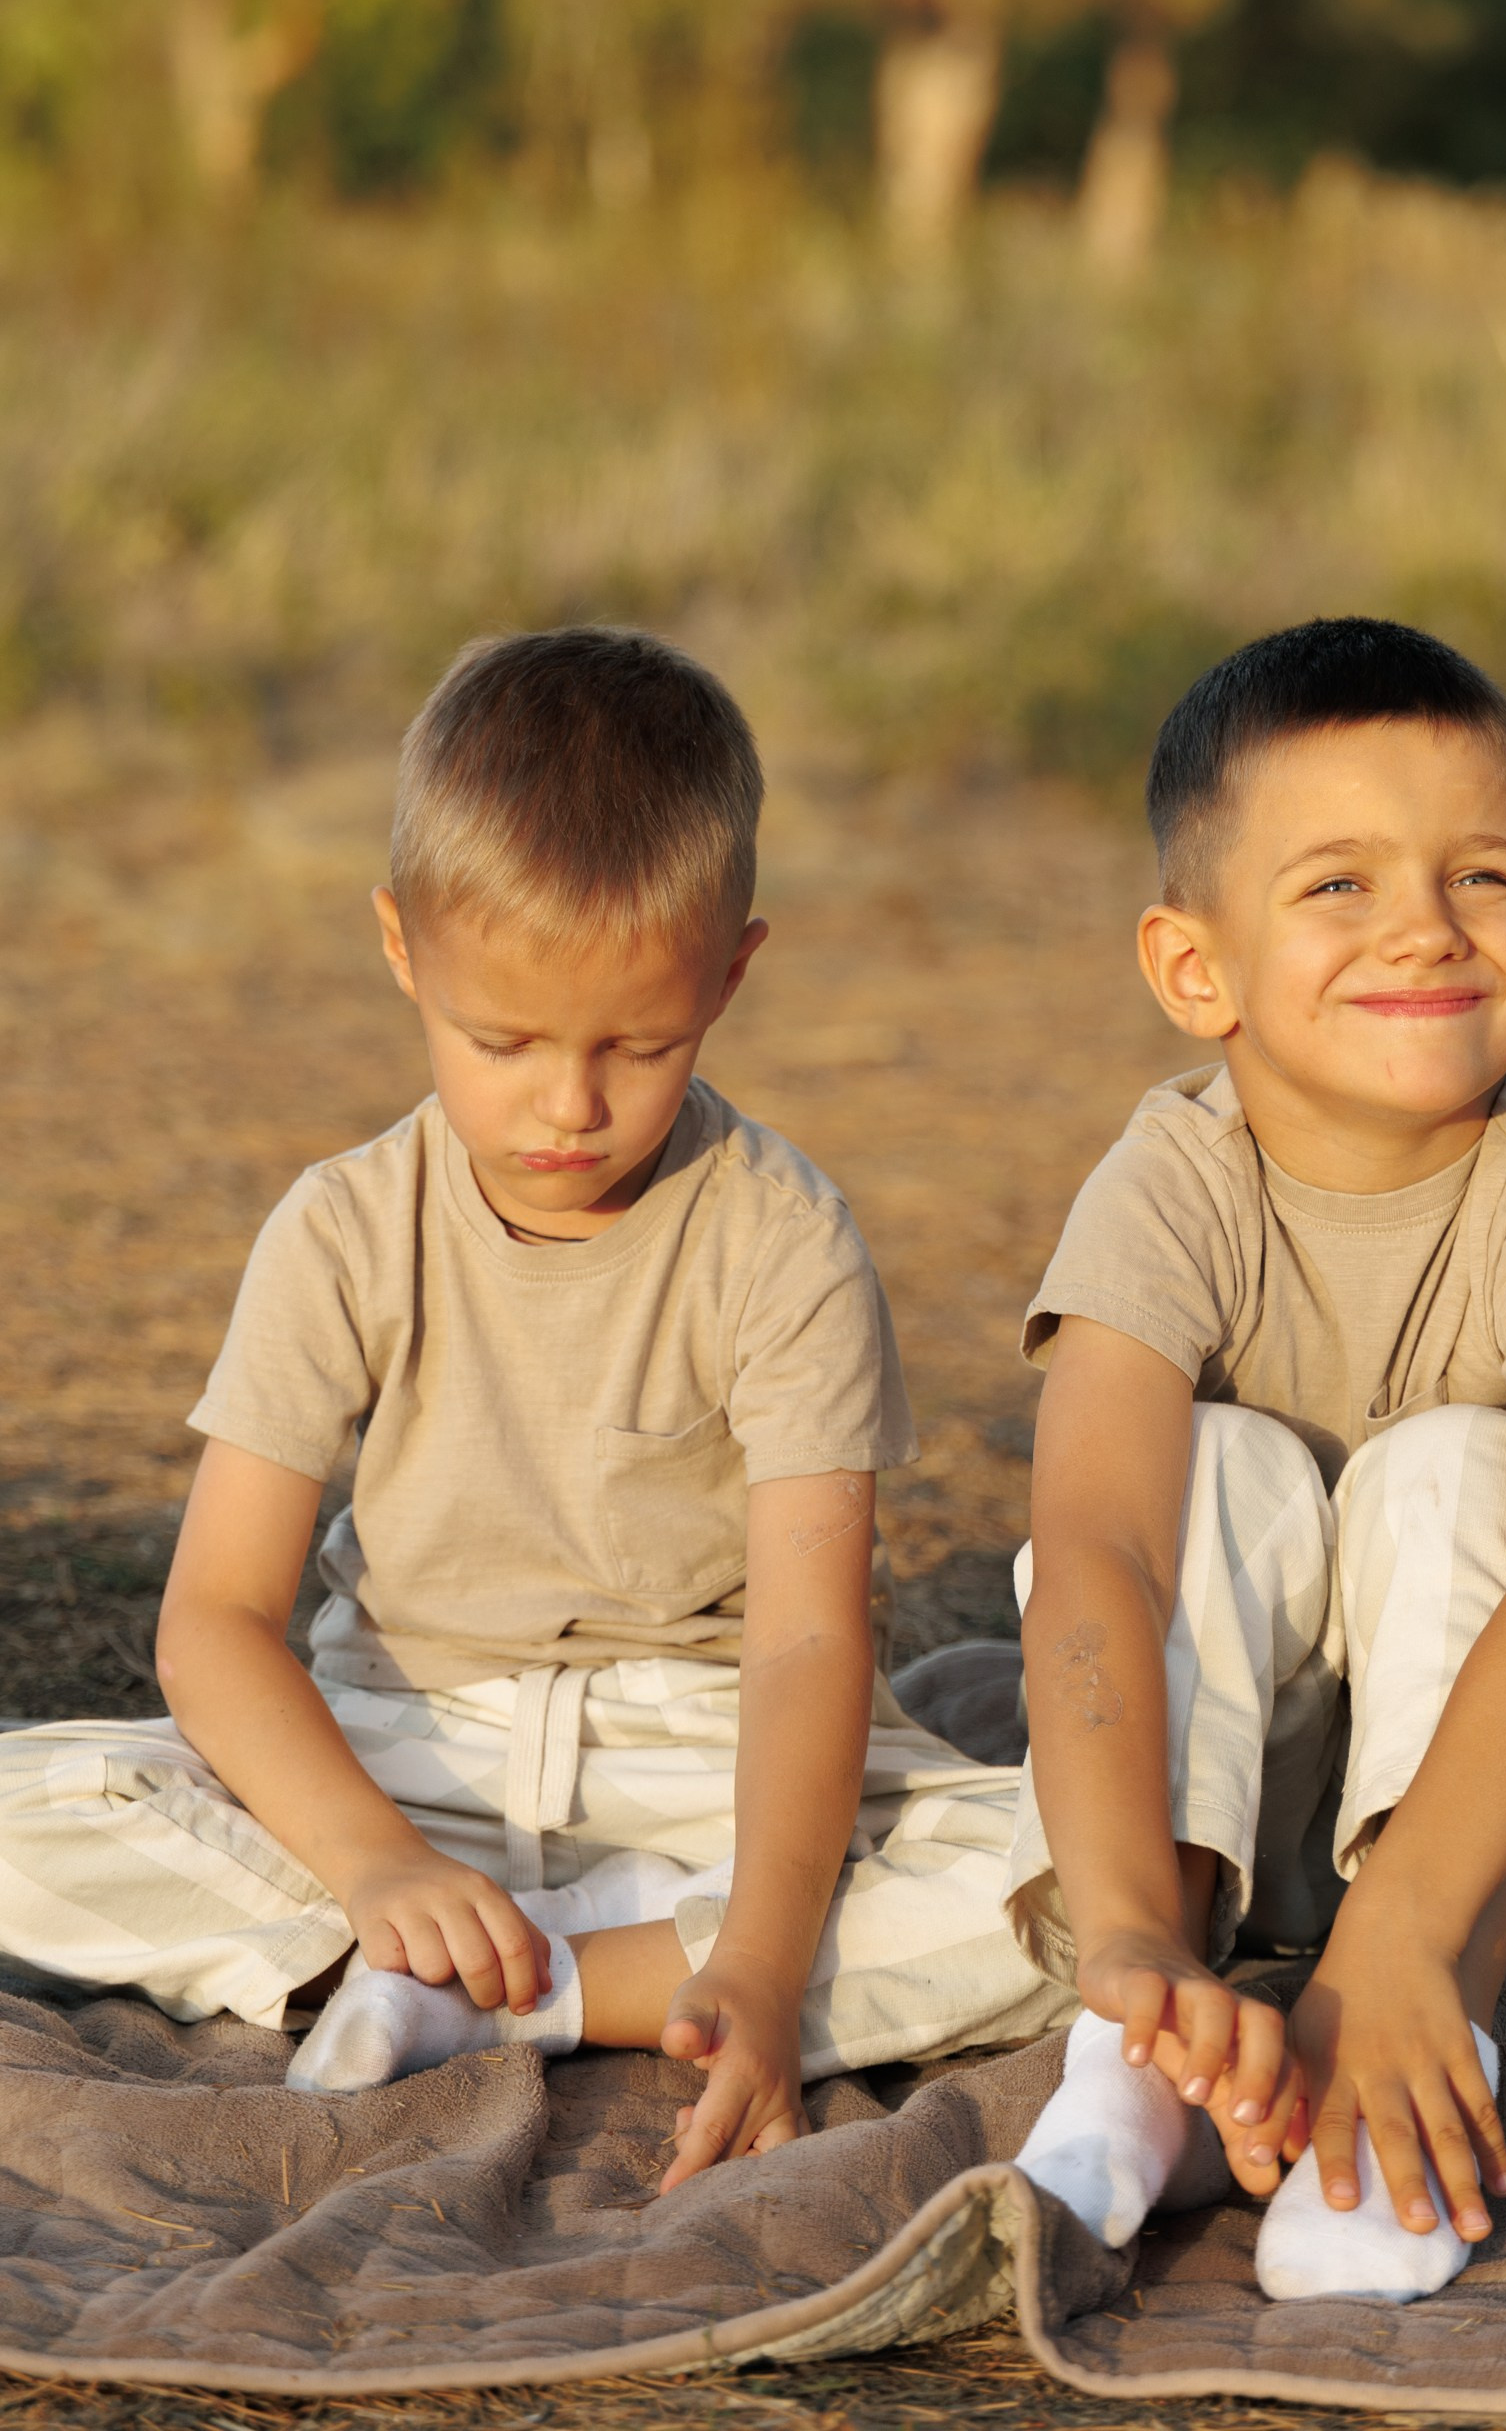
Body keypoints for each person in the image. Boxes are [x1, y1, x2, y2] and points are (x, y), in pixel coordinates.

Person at [0, 627, 1065, 2188]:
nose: (568, 1107)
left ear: (733, 971)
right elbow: (215, 1623)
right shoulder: (343, 1226)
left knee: (1079, 1891)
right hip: (398, 1746)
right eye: (501, 1041)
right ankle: (436, 1943)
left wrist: (766, 1965)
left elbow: (806, 1642)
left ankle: (537, 1981)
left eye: (639, 1044)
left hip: (698, 1758)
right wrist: (376, 1862)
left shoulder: (781, 1237)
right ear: (401, 950)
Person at [1008, 616, 1506, 2300]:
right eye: (1338, 885)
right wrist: (1113, 1925)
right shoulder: (1168, 1181)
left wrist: (1396, 1931)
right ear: (1197, 971)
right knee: (1210, 1464)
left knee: (1450, 1471)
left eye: (1477, 878)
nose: (1423, 925)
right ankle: (1153, 2040)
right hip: (1246, 1784)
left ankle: (1422, 2036)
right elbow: (1100, 1545)